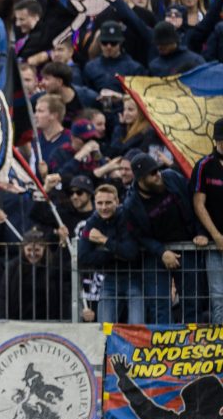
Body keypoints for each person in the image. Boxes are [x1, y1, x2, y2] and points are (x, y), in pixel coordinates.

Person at [123, 153, 207, 324]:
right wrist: (161, 252)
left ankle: (192, 347)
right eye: (152, 173)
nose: (158, 175)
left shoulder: (172, 178)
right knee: (159, 305)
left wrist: (200, 232)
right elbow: (138, 236)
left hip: (187, 247)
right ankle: (164, 347)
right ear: (140, 179)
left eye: (158, 170)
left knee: (192, 301)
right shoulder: (131, 204)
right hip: (155, 254)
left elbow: (195, 204)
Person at [78, 185, 142, 323]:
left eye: (108, 203)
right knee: (104, 329)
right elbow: (83, 256)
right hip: (110, 279)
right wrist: (114, 254)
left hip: (134, 278)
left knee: (137, 327)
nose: (103, 207)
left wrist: (103, 240)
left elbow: (131, 252)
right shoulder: (92, 222)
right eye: (99, 203)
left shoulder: (127, 217)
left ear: (117, 202)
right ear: (94, 203)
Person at [193, 119, 223, 325]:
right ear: (218, 140)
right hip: (215, 245)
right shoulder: (204, 166)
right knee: (218, 295)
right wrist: (216, 236)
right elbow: (198, 203)